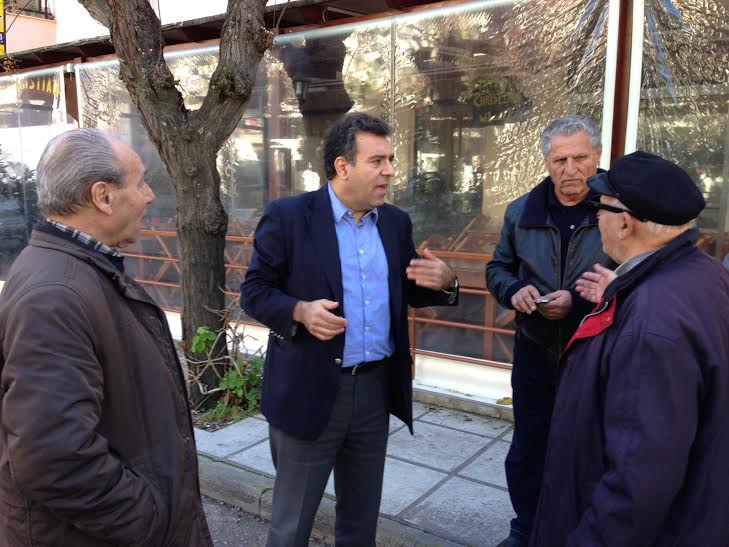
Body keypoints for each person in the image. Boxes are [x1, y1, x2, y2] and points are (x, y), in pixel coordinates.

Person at [241, 112, 458, 546]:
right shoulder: (289, 217)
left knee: (360, 523)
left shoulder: (395, 223)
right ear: (343, 166)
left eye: (390, 160)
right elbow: (254, 291)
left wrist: (446, 281)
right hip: (308, 391)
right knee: (291, 526)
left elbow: (407, 290)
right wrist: (299, 310)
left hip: (374, 391)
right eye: (377, 161)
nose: (390, 171)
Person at [0, 129, 213, 546]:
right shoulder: (55, 297)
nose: (149, 196)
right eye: (140, 183)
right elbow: (53, 458)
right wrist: (149, 520)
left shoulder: (76, 271)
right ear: (103, 196)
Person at [531, 151, 729, 546]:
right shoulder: (701, 272)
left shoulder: (653, 320)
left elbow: (639, 478)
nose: (595, 216)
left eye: (600, 206)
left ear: (625, 223)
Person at [486, 116, 614, 547]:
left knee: (592, 447)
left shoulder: (617, 210)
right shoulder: (521, 211)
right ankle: (526, 528)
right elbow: (498, 268)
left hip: (596, 353)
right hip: (535, 351)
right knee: (529, 447)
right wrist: (514, 290)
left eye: (580, 157)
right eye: (560, 160)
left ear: (597, 155)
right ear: (546, 162)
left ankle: (582, 530)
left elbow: (635, 275)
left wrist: (577, 302)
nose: (570, 169)